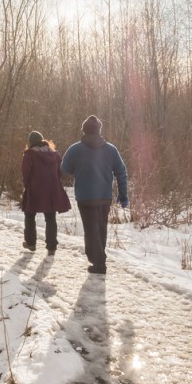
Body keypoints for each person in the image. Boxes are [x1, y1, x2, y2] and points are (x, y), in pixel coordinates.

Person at [60, 115, 129, 274]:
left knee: (91, 229)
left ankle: (98, 262)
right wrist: (123, 194)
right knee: (100, 227)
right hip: (104, 196)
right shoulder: (111, 149)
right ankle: (98, 259)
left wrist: (77, 168)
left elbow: (63, 170)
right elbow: (121, 172)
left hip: (85, 196)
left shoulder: (75, 149)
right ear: (99, 130)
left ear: (84, 130)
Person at [21, 131, 71, 255]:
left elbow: (25, 172)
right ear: (43, 140)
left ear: (30, 143)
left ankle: (31, 243)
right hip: (52, 189)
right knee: (50, 217)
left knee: (29, 214)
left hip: (35, 188)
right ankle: (52, 246)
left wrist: (27, 186)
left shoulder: (29, 154)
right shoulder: (54, 154)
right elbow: (60, 171)